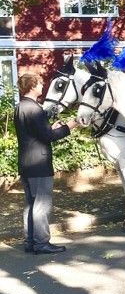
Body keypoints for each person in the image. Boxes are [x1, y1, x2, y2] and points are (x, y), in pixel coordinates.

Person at [14, 73, 79, 255]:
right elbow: (47, 137)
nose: (42, 85)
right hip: (39, 165)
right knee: (41, 205)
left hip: (26, 164)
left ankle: (30, 241)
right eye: (40, 83)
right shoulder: (35, 109)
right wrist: (70, 126)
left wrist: (52, 128)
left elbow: (36, 133)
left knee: (31, 205)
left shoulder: (20, 107)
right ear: (32, 86)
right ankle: (42, 243)